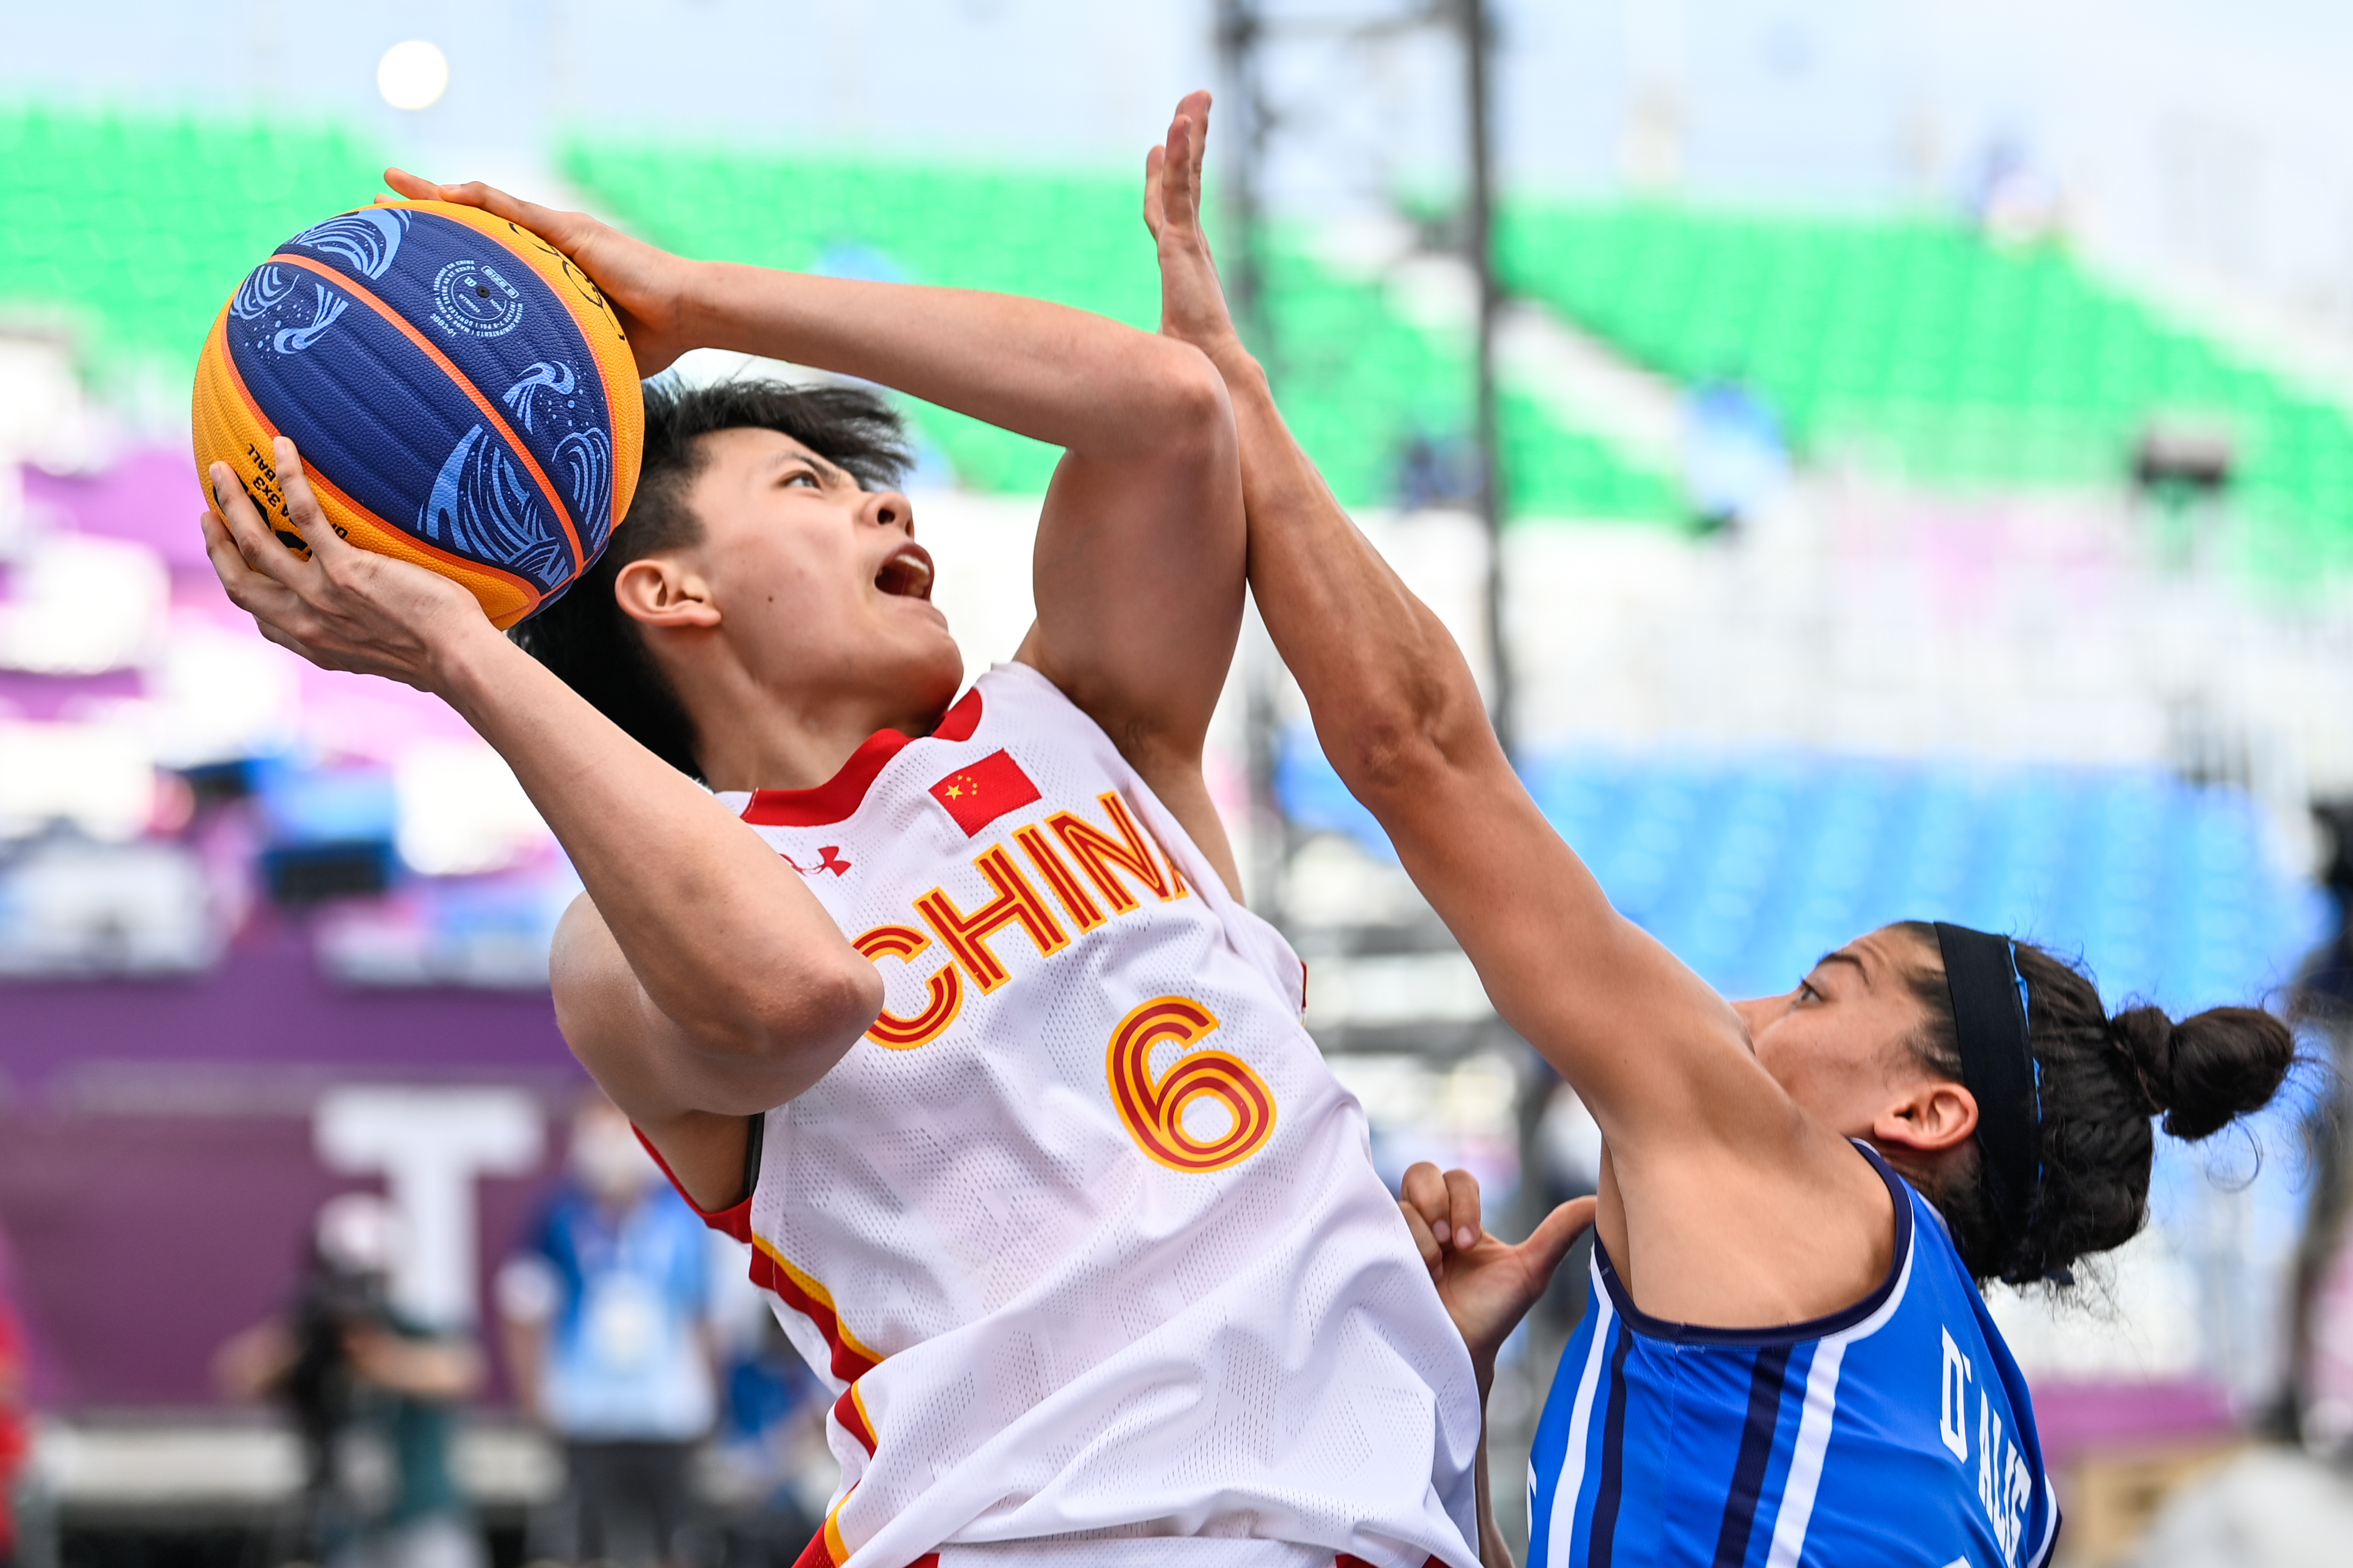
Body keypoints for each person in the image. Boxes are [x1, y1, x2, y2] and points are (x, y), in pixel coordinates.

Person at [198, 151, 1485, 1566]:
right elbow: (802, 990)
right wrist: (454, 647)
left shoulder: (1081, 721)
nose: (891, 507)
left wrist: (694, 298)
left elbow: (1171, 411)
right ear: (668, 589)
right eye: (812, 483)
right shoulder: (618, 946)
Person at [1138, 90, 2299, 1568]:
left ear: (1926, 1112)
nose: (1750, 1008)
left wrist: (1230, 384)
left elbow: (1418, 750)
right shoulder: (2006, 1467)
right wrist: (1450, 1387)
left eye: (1821, 990)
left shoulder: (1811, 1202)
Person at [497, 1093, 721, 1568]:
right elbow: (523, 1311)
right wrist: (535, 1399)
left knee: (677, 1542)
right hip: (587, 1412)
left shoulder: (683, 1217)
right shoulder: (556, 1216)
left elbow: (700, 1314)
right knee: (583, 1543)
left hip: (667, 1412)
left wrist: (710, 1397)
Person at [217, 1195, 486, 1568]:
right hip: (343, 1525)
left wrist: (378, 1357)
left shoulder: (411, 1330)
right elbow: (239, 1374)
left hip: (420, 1516)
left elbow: (461, 1371)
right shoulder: (309, 1339)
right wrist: (302, 1338)